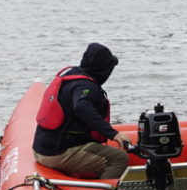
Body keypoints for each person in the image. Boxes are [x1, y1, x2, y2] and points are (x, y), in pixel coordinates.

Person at [33, 43, 133, 179]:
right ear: (104, 69)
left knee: (99, 149)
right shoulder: (85, 86)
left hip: (43, 147)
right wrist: (113, 134)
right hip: (56, 153)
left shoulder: (71, 75)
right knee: (119, 158)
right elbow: (81, 107)